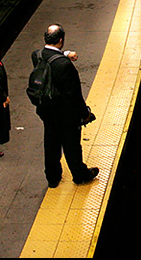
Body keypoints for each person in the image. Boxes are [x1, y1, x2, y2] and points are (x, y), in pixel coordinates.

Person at [31, 24, 98, 187]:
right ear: (61, 40)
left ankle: (52, 178)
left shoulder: (37, 55)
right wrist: (85, 113)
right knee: (71, 145)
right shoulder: (65, 66)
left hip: (46, 110)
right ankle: (80, 175)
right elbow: (74, 95)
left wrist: (66, 54)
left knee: (51, 143)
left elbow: (51, 57)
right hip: (65, 114)